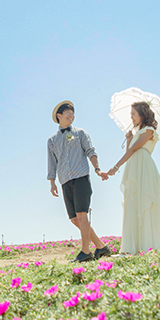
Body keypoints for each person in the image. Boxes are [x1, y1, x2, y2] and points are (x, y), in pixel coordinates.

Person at [47, 100, 112, 263]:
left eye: (73, 113)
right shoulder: (52, 140)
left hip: (81, 177)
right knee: (74, 219)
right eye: (68, 113)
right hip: (64, 181)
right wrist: (52, 181)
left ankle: (85, 252)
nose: (71, 116)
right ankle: (101, 247)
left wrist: (97, 169)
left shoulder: (81, 133)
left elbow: (91, 151)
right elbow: (52, 162)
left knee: (82, 214)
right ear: (59, 116)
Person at [107, 101, 160, 254]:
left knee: (146, 202)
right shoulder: (137, 133)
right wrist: (129, 138)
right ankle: (133, 246)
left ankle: (149, 244)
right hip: (134, 167)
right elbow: (130, 149)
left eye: (134, 114)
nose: (131, 117)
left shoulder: (149, 131)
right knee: (133, 202)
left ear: (142, 114)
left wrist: (115, 167)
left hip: (144, 167)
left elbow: (134, 150)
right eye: (131, 115)